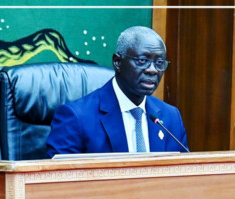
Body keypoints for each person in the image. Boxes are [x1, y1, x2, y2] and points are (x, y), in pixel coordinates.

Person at [46, 26, 188, 157]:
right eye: (142, 60)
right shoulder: (76, 117)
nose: (152, 70)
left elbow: (184, 176)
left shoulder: (170, 117)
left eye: (159, 63)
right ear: (117, 62)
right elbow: (59, 181)